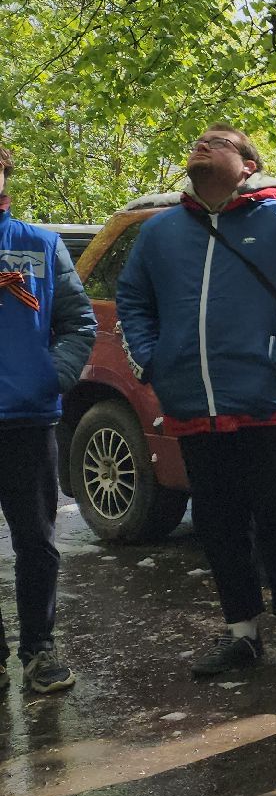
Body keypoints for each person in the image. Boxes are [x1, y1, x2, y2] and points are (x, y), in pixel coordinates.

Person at [116, 125, 276, 678]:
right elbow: (133, 300)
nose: (201, 145)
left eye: (218, 142)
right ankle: (241, 634)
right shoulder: (160, 232)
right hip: (193, 406)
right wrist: (152, 360)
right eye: (198, 140)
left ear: (248, 165)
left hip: (270, 404)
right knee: (218, 524)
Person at [0, 143, 97, 694]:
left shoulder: (40, 245)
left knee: (35, 541)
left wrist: (50, 377)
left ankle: (39, 650)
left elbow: (78, 323)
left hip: (27, 419)